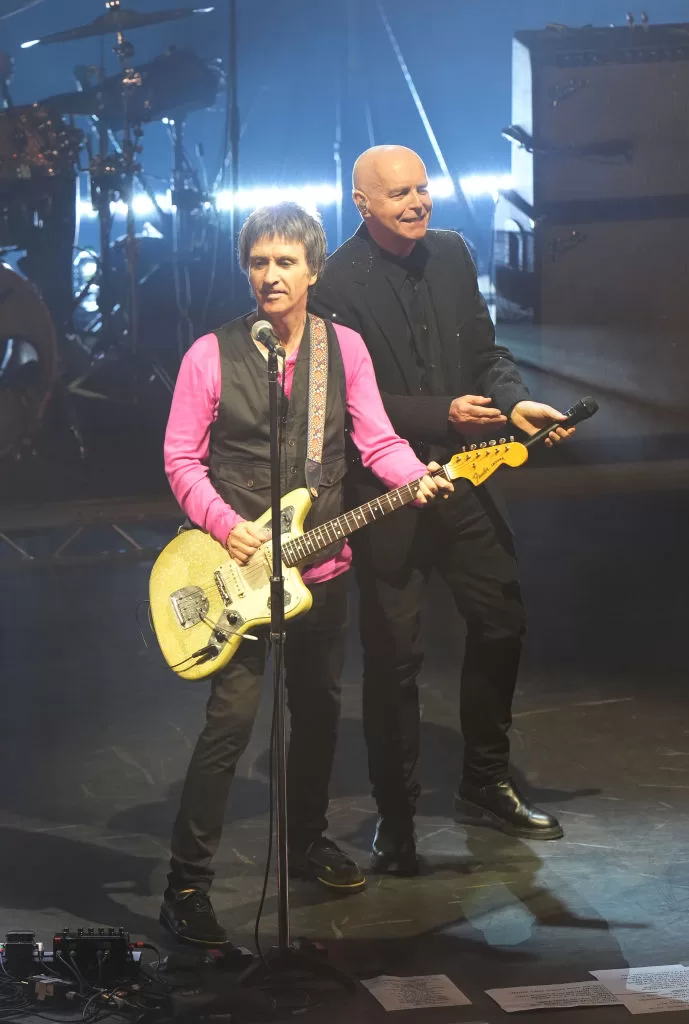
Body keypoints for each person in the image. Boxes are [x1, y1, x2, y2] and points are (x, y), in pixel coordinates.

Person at [159, 201, 451, 947]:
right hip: (241, 575)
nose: (270, 275)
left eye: (285, 261)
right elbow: (181, 460)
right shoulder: (207, 354)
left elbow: (375, 440)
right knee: (229, 724)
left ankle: (306, 842)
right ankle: (185, 884)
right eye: (259, 262)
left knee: (316, 714)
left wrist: (415, 476)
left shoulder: (341, 349)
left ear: (313, 270)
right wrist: (228, 528)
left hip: (320, 566)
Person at [309, 145, 575, 877]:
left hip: (464, 477)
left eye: (422, 187)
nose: (417, 202)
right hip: (387, 496)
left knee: (501, 618)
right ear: (362, 202)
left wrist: (513, 400)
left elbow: (487, 354)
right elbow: (339, 401)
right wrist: (438, 412)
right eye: (398, 193)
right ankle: (395, 819)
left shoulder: (453, 253)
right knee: (395, 660)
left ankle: (483, 784)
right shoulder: (333, 282)